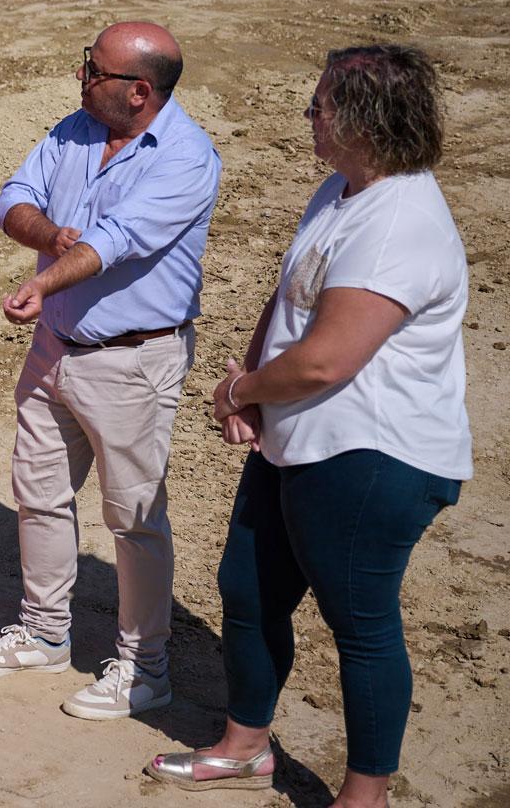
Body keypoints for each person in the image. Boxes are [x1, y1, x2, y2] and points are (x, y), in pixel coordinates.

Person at [146, 45, 469, 805]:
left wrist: (238, 392)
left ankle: (364, 797)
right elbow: (291, 295)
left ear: (363, 119)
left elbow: (326, 359)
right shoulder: (342, 190)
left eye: (319, 103)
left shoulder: (401, 222)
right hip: (301, 441)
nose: (308, 114)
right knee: (248, 590)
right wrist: (255, 393)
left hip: (372, 455)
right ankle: (245, 746)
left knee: (359, 626)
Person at [0, 22, 220, 722]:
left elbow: (120, 240)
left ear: (140, 91)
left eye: (94, 70)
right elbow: (10, 197)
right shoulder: (73, 129)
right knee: (38, 492)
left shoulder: (186, 158)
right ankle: (43, 632)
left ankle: (145, 669)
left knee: (133, 517)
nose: (82, 77)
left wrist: (44, 282)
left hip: (132, 360)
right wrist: (46, 236)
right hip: (55, 347)